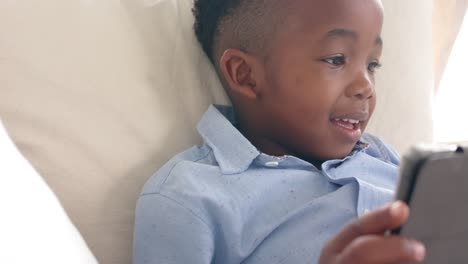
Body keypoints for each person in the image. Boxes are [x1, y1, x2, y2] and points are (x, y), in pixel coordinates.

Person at [133, 0, 426, 263]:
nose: (366, 87)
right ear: (245, 75)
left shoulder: (383, 157)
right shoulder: (189, 197)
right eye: (335, 59)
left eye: (372, 64)